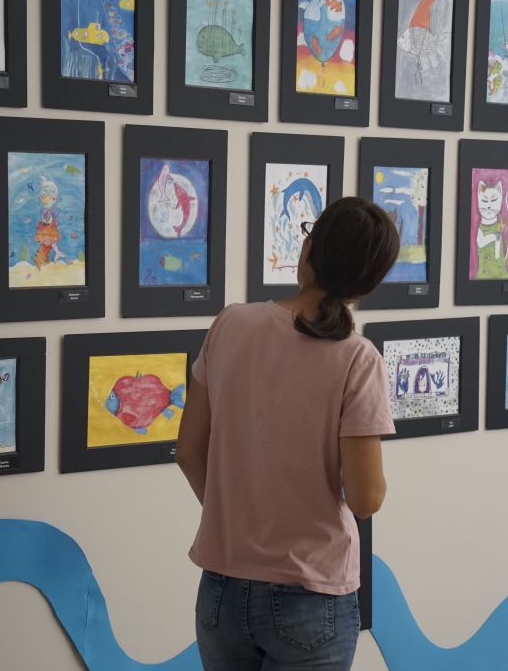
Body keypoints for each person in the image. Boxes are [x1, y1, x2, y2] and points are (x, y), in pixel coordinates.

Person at [176, 197, 400, 671]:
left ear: (309, 249)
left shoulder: (230, 323)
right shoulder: (357, 358)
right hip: (311, 592)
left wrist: (236, 518)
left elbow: (189, 451)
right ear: (367, 283)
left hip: (221, 589)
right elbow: (366, 498)